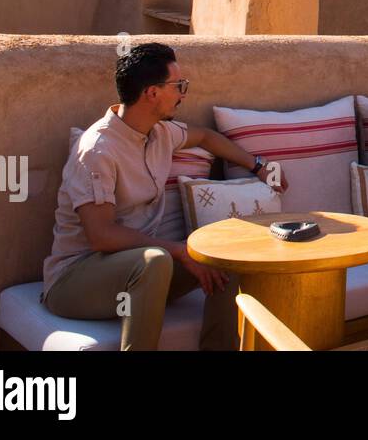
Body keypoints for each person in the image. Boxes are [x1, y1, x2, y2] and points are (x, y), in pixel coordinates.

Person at [42, 42, 288, 351]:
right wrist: (178, 250)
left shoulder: (158, 133)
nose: (184, 94)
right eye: (178, 86)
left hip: (144, 274)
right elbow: (101, 236)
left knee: (223, 255)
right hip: (74, 280)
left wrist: (258, 166)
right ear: (152, 93)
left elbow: (207, 137)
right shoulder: (97, 150)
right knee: (155, 261)